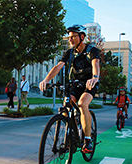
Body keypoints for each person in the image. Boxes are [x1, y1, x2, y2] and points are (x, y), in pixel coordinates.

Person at [39, 24, 100, 153]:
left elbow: (96, 64)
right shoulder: (70, 53)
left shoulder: (91, 50)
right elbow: (58, 66)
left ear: (82, 37)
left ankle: (88, 140)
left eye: (73, 37)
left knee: (82, 104)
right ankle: (70, 135)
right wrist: (46, 80)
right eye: (69, 37)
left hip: (90, 83)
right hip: (75, 83)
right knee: (66, 106)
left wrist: (94, 77)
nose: (70, 39)